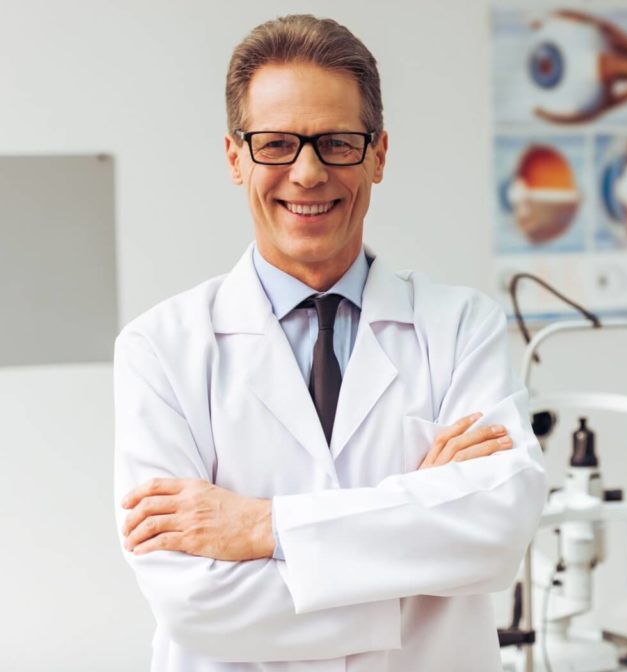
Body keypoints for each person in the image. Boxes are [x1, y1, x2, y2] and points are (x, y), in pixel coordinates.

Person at [113, 14, 546, 672]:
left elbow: (496, 532)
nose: (308, 173)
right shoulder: (159, 350)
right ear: (236, 157)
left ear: (378, 153)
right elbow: (194, 600)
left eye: (337, 142)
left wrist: (262, 527)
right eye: (277, 144)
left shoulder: (461, 327)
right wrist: (416, 540)